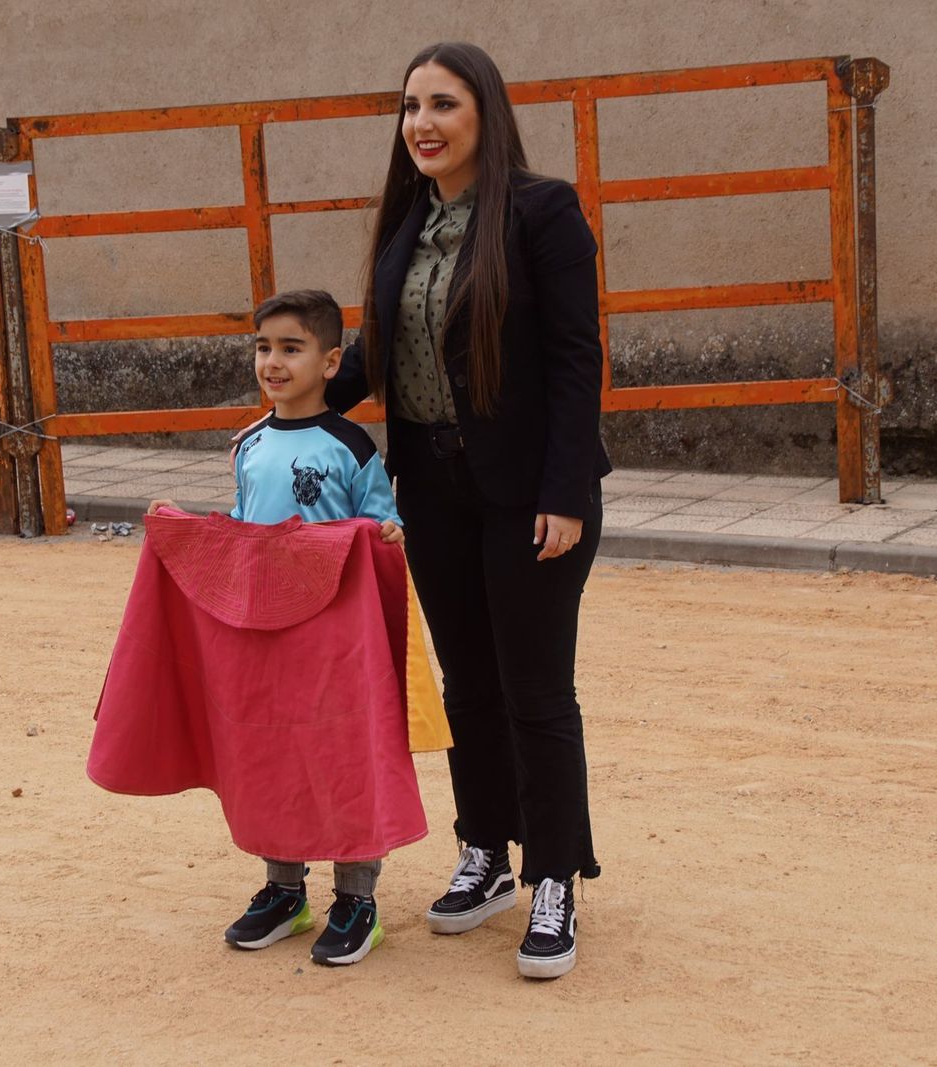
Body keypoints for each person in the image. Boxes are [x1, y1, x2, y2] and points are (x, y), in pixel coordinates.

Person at [323, 42, 612, 980]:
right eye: (410, 107)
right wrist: (294, 395)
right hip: (434, 495)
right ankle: (485, 849)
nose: (423, 124)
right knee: (465, 688)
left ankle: (556, 874)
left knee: (536, 691)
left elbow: (575, 362)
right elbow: (378, 357)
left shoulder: (541, 211)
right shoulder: (408, 225)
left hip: (532, 496)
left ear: (485, 112)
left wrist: (567, 493)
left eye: (443, 104)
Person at [144, 288, 408, 967]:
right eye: (264, 347)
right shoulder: (252, 441)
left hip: (335, 639)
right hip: (265, 629)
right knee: (266, 748)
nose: (273, 360)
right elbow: (245, 525)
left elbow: (383, 522)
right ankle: (285, 890)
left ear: (330, 362)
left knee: (342, 750)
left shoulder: (352, 443)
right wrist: (186, 527)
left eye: (292, 348)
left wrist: (385, 532)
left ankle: (358, 899)